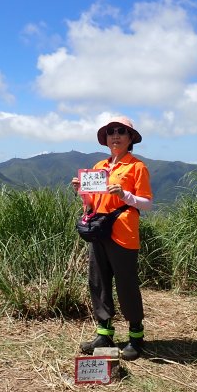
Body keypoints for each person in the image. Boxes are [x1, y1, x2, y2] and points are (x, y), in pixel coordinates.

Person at [71, 116, 153, 361]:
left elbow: (147, 203)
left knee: (126, 283)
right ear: (105, 139)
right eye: (110, 132)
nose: (115, 135)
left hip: (124, 232)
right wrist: (81, 193)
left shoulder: (136, 167)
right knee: (99, 281)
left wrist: (125, 195)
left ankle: (136, 336)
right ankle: (104, 333)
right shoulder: (99, 166)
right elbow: (92, 204)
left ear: (130, 139)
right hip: (99, 230)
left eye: (121, 131)